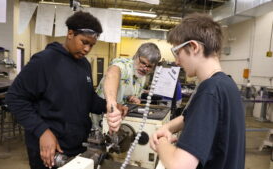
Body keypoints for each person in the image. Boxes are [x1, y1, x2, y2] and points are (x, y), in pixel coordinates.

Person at [6, 11, 110, 169]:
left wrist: (109, 105)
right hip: (50, 148)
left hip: (78, 145)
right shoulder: (44, 61)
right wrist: (42, 131)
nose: (88, 49)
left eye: (92, 45)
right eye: (84, 42)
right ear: (70, 34)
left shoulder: (84, 65)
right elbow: (15, 98)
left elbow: (88, 99)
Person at [147, 13, 245, 169]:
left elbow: (179, 166)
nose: (177, 61)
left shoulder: (209, 91)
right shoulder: (227, 84)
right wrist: (166, 128)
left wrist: (161, 141)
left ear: (193, 47)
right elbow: (190, 117)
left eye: (177, 52)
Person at [95, 42, 161, 131]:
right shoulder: (124, 64)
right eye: (143, 63)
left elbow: (127, 91)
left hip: (119, 120)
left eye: (149, 66)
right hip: (100, 118)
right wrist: (112, 105)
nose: (145, 68)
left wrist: (131, 98)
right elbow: (113, 73)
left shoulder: (142, 76)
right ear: (136, 56)